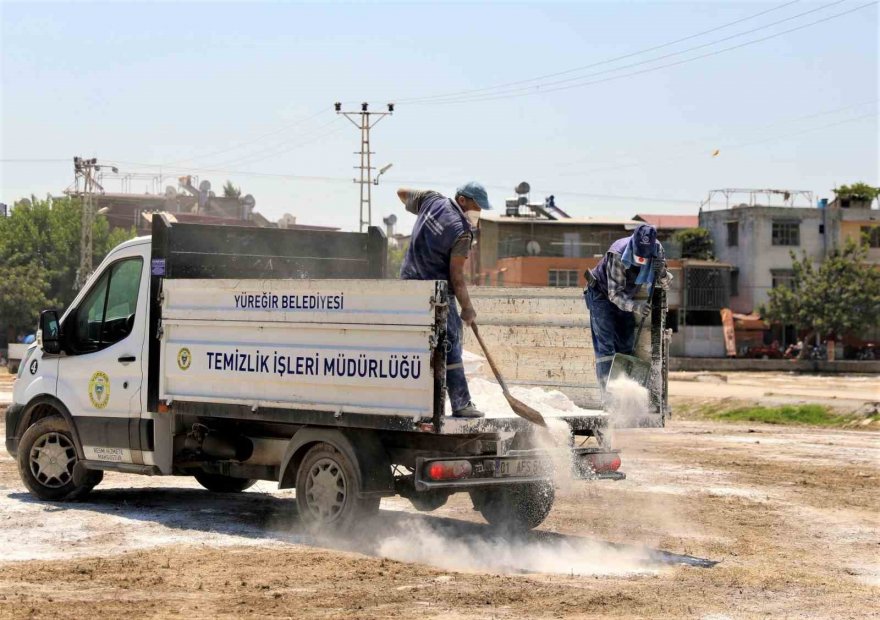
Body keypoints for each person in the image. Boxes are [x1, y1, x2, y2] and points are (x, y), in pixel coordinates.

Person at [397, 182, 490, 418]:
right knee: (451, 345)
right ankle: (461, 403)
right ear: (462, 200)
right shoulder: (462, 231)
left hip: (408, 287)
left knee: (419, 345)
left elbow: (401, 192)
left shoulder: (430, 200)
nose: (478, 211)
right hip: (437, 294)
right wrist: (467, 308)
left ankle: (414, 400)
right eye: (476, 206)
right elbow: (456, 277)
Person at [584, 223, 671, 389]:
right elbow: (614, 294)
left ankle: (626, 394)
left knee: (626, 345)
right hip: (601, 294)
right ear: (634, 244)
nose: (642, 260)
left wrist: (662, 273)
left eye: (646, 256)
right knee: (606, 348)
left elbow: (666, 285)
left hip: (627, 298)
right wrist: (636, 307)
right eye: (639, 254)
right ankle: (608, 398)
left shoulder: (657, 251)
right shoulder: (617, 253)